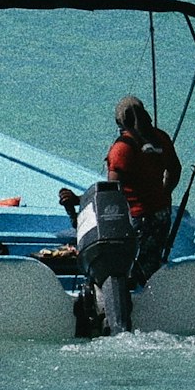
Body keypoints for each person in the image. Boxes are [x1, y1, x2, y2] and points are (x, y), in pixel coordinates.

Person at [59, 95, 181, 286]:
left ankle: (127, 296)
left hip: (138, 218)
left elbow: (111, 193)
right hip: (162, 214)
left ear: (120, 122)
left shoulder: (122, 149)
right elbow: (175, 170)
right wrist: (164, 193)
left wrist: (78, 200)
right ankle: (149, 293)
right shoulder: (161, 138)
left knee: (129, 264)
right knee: (150, 262)